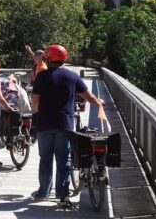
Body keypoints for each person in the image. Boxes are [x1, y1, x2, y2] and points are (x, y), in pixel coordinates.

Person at [30, 44, 106, 206]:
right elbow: (89, 96)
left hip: (44, 125)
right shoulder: (72, 76)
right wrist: (99, 103)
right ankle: (63, 195)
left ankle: (43, 191)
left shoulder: (41, 77)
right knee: (64, 160)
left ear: (48, 58)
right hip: (64, 124)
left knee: (45, 159)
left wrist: (36, 117)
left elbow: (35, 103)